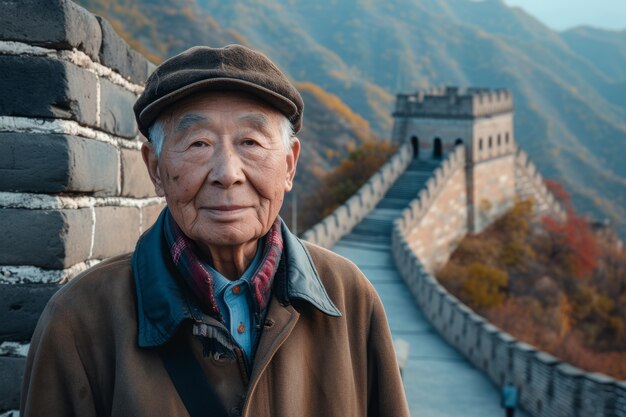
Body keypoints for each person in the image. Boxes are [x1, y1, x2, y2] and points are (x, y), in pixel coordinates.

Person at [20, 44, 409, 417]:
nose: (227, 174)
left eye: (250, 142)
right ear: (155, 168)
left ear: (289, 165)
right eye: (198, 143)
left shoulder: (349, 298)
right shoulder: (80, 320)